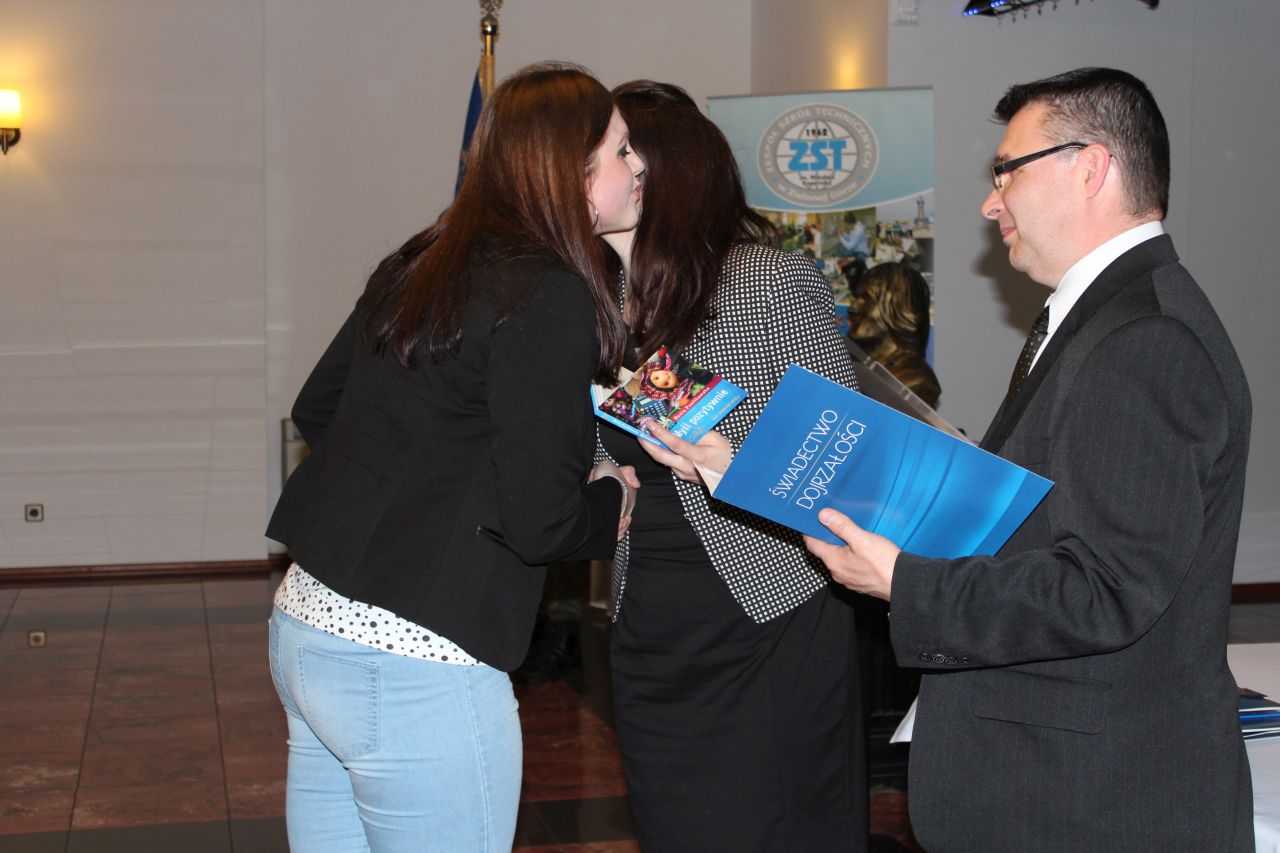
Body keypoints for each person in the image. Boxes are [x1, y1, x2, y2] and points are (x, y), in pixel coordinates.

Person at [806, 67, 1254, 851]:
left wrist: (905, 581)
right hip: (1069, 791)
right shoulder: (1105, 319)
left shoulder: (1144, 341)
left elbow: (1106, 588)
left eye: (1006, 171)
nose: (991, 202)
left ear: (1091, 167)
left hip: (1094, 804)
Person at [263, 62, 645, 852]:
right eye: (620, 150)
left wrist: (431, 482)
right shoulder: (547, 290)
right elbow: (542, 522)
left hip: (306, 621)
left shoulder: (425, 255)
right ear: (568, 173)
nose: (638, 165)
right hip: (415, 660)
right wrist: (615, 496)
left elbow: (319, 408)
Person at [595, 80, 867, 852]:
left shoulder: (767, 281)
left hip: (763, 613)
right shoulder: (598, 300)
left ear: (655, 172)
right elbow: (603, 439)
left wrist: (727, 459)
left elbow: (844, 461)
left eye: (614, 152)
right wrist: (599, 469)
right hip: (650, 621)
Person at [847, 261, 940, 408]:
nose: (853, 307)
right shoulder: (849, 361)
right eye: (857, 297)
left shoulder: (916, 379)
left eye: (867, 298)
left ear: (896, 308)